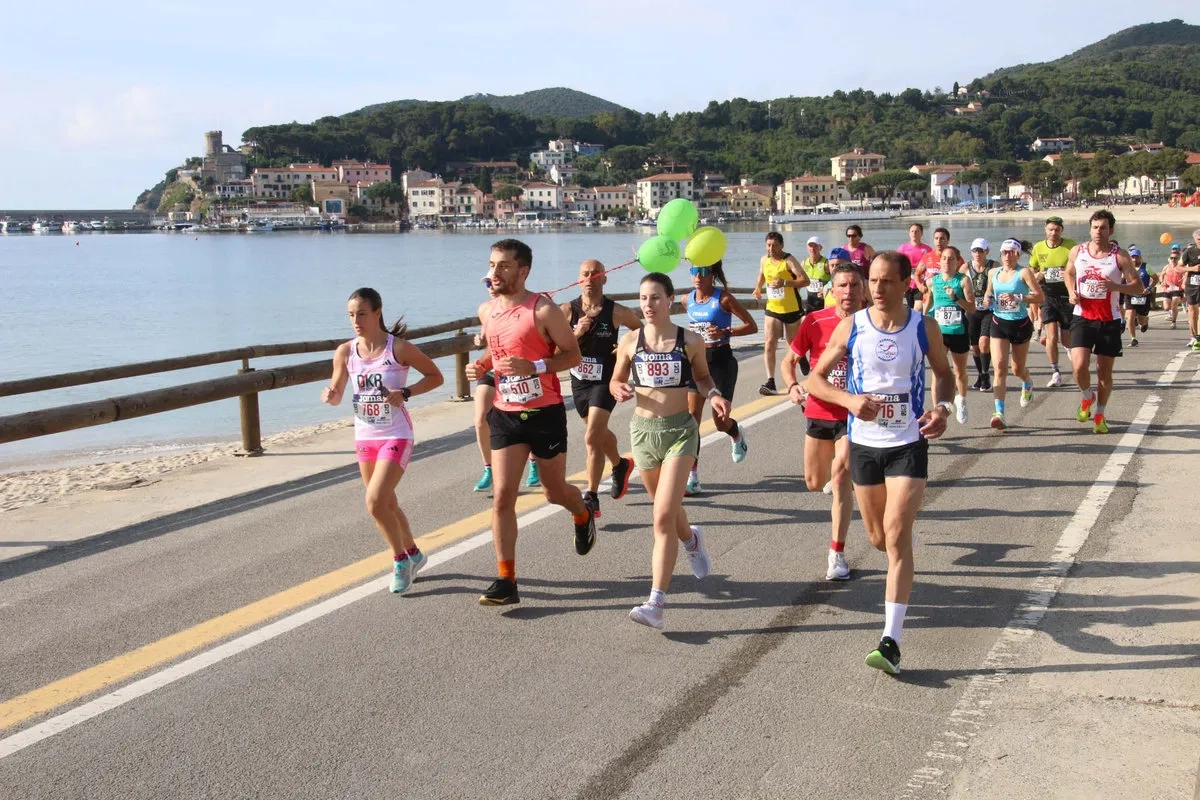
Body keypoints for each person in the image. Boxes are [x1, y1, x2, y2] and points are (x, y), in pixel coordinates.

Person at [806, 251, 954, 675]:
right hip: (864, 445)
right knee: (878, 539)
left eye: (887, 281)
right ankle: (900, 559)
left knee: (895, 532)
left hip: (908, 440)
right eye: (873, 280)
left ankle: (891, 641)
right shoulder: (852, 326)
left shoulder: (923, 327)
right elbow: (814, 379)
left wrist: (941, 408)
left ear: (906, 282)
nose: (877, 288)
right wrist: (850, 400)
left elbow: (943, 374)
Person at [466, 239, 597, 606]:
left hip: (544, 413)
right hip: (506, 414)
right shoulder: (487, 311)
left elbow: (573, 355)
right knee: (503, 498)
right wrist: (482, 364)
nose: (494, 272)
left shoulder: (543, 310)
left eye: (504, 266)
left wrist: (535, 367)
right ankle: (506, 580)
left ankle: (583, 512)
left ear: (523, 271)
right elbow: (499, 349)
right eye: (492, 264)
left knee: (554, 493)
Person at [610, 272, 728, 630]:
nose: (648, 304)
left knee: (661, 516)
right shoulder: (630, 342)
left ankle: (655, 603)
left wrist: (714, 394)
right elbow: (616, 378)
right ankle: (692, 539)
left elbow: (703, 377)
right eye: (644, 298)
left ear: (671, 300)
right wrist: (618, 389)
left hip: (679, 431)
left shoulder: (689, 340)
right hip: (644, 433)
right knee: (670, 508)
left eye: (656, 298)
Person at [321, 288, 445, 594]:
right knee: (386, 503)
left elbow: (435, 376)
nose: (356, 321)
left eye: (361, 313)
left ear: (377, 312)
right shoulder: (345, 352)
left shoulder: (398, 348)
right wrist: (331, 394)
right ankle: (415, 553)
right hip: (365, 437)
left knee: (375, 502)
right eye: (351, 315)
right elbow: (337, 391)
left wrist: (405, 393)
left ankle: (401, 560)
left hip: (396, 434)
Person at [782, 263, 866, 581]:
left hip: (854, 414)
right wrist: (792, 385)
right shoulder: (816, 321)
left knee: (842, 476)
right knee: (814, 482)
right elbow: (790, 360)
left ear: (863, 289)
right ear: (832, 290)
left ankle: (837, 553)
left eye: (854, 285)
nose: (848, 292)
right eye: (842, 286)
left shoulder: (874, 323)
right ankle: (831, 477)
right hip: (818, 410)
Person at [560, 259, 641, 517]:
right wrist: (575, 333)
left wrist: (626, 347)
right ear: (578, 278)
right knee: (598, 433)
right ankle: (620, 465)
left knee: (591, 437)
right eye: (585, 274)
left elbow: (642, 334)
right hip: (579, 382)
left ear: (604, 279)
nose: (590, 279)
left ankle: (592, 496)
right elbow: (552, 350)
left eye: (595, 274)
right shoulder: (566, 311)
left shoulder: (617, 312)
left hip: (607, 381)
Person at [1065, 211, 1145, 434]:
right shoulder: (1077, 251)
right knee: (1078, 366)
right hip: (1082, 317)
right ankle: (1087, 396)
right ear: (1089, 229)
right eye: (1095, 227)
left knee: (1104, 373)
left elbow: (1138, 287)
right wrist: (1071, 292)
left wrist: (1116, 287)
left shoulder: (1119, 256)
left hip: (1109, 320)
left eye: (1103, 228)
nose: (1098, 232)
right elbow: (1068, 273)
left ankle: (1100, 414)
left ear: (1111, 230)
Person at [683, 260, 758, 496]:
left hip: (722, 363)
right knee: (691, 424)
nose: (698, 276)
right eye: (694, 271)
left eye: (703, 271)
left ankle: (735, 433)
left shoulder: (723, 298)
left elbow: (752, 325)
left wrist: (726, 331)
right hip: (697, 365)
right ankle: (692, 477)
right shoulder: (687, 300)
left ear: (712, 274)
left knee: (719, 422)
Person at [472, 279, 540, 492]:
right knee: (481, 417)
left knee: (526, 418)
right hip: (493, 369)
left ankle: (534, 463)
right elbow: (488, 339)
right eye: (487, 284)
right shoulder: (484, 309)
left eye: (494, 282)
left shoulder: (526, 305)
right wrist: (479, 340)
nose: (492, 287)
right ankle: (489, 468)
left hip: (518, 371)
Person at [984, 239, 1044, 431]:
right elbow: (989, 292)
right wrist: (987, 299)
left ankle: (1027, 382)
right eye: (1004, 252)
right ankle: (999, 413)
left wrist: (1019, 297)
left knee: (1017, 369)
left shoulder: (1024, 272)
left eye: (1011, 252)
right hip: (998, 323)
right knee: (999, 368)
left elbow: (1040, 296)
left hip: (1020, 324)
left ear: (1017, 254)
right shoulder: (993, 272)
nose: (1007, 256)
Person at [753, 232, 809, 395]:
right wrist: (758, 288)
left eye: (775, 245)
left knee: (793, 344)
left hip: (791, 308)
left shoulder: (788, 261)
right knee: (770, 342)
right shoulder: (764, 260)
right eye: (768, 245)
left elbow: (805, 280)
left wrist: (785, 283)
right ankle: (771, 381)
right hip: (773, 308)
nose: (771, 248)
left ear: (782, 245)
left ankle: (801, 357)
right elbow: (762, 274)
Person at [924, 245, 975, 425]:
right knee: (937, 372)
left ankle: (961, 400)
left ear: (957, 261)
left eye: (951, 258)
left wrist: (955, 298)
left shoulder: (963, 281)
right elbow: (928, 303)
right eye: (944, 258)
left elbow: (972, 307)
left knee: (959, 371)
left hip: (958, 331)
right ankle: (937, 408)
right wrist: (922, 319)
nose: (947, 261)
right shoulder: (932, 281)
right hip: (939, 332)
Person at [1028, 216, 1077, 387]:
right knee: (1051, 335)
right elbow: (1032, 269)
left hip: (1066, 295)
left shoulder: (1071, 245)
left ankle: (1070, 349)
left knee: (1065, 338)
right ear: (1045, 230)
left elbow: (1080, 267)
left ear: (1062, 230)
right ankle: (1055, 372)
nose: (1053, 233)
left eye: (1057, 230)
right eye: (1050, 229)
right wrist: (1036, 276)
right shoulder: (1038, 247)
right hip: (1047, 296)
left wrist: (1070, 273)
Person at [965, 238, 995, 392]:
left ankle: (985, 374)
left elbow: (998, 281)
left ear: (987, 251)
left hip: (989, 310)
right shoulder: (966, 267)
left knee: (984, 343)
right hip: (972, 311)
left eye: (980, 250)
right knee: (975, 347)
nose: (977, 253)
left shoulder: (993, 266)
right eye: (975, 250)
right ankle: (980, 374)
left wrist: (990, 295)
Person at [1122, 246, 1157, 347]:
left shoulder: (1146, 267)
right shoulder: (1127, 268)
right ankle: (1133, 339)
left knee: (1142, 319)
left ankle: (1144, 322)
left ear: (1140, 257)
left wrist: (1149, 288)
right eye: (1132, 257)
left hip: (1143, 296)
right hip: (1130, 296)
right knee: (1130, 317)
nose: (1134, 259)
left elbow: (1155, 278)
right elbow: (1122, 280)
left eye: (1136, 257)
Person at [913, 227, 950, 313]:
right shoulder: (927, 256)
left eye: (942, 239)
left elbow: (963, 275)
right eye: (936, 238)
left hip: (946, 295)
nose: (939, 241)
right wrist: (920, 286)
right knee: (918, 310)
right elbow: (917, 274)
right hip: (929, 294)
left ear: (948, 240)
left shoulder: (954, 257)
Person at [800, 236, 831, 316]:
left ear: (820, 247)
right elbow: (798, 281)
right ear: (807, 248)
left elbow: (836, 280)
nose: (812, 249)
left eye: (815, 246)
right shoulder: (804, 263)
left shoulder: (826, 263)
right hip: (810, 303)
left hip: (824, 303)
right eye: (810, 246)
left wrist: (827, 288)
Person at [1181, 229, 1200, 350]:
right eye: (1199, 239)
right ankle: (1194, 336)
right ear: (1195, 239)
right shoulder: (1189, 252)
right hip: (1192, 285)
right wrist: (1192, 269)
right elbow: (1178, 268)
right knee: (1192, 312)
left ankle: (1198, 338)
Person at [1159, 246, 1184, 330]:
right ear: (1169, 259)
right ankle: (1172, 312)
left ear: (1178, 259)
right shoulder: (1166, 267)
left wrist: (1183, 282)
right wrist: (1162, 283)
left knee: (1174, 305)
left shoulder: (1181, 267)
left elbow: (1185, 276)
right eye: (1171, 258)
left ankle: (1174, 322)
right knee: (1166, 307)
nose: (1173, 259)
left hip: (1177, 289)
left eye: (1175, 258)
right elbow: (1161, 276)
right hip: (1168, 288)